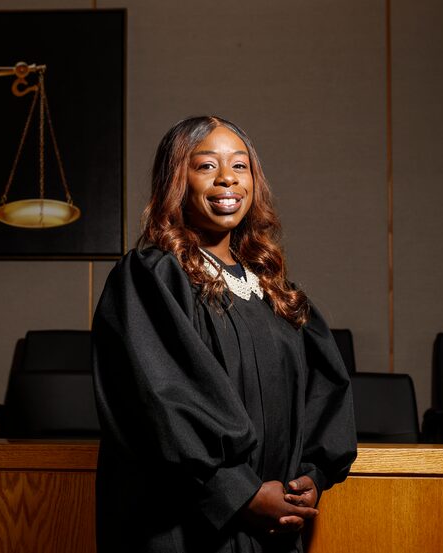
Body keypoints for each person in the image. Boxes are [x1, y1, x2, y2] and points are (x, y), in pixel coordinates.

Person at [92, 115, 357, 553]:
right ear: (177, 179)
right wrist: (241, 493)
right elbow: (159, 402)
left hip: (274, 525)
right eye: (206, 166)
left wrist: (311, 478)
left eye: (239, 166)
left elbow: (323, 391)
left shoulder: (274, 290)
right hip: (185, 525)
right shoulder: (152, 277)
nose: (226, 181)